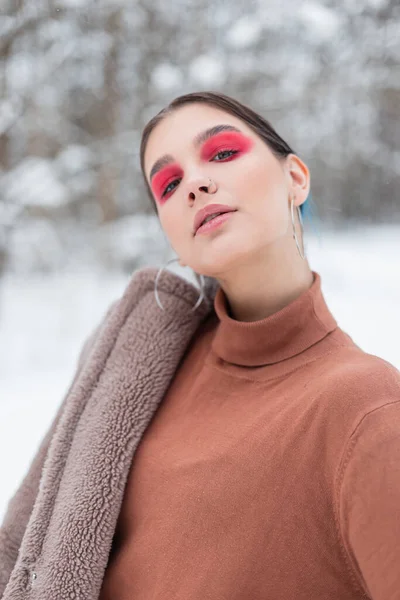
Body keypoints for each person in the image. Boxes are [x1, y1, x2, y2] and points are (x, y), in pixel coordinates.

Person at [1, 91, 399, 600]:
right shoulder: (138, 366)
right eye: (168, 184)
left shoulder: (367, 406)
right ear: (171, 235)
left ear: (295, 178)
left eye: (223, 154)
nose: (195, 183)